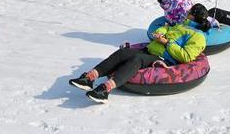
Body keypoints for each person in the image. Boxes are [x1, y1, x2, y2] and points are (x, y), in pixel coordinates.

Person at [67, 16, 206, 104]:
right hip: (151, 49)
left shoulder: (198, 37)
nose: (186, 14)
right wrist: (160, 33)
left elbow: (186, 56)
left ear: (194, 16)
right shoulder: (182, 25)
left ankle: (105, 89)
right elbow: (167, 28)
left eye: (189, 12)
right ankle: (89, 78)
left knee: (137, 59)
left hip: (164, 59)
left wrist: (167, 43)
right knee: (123, 53)